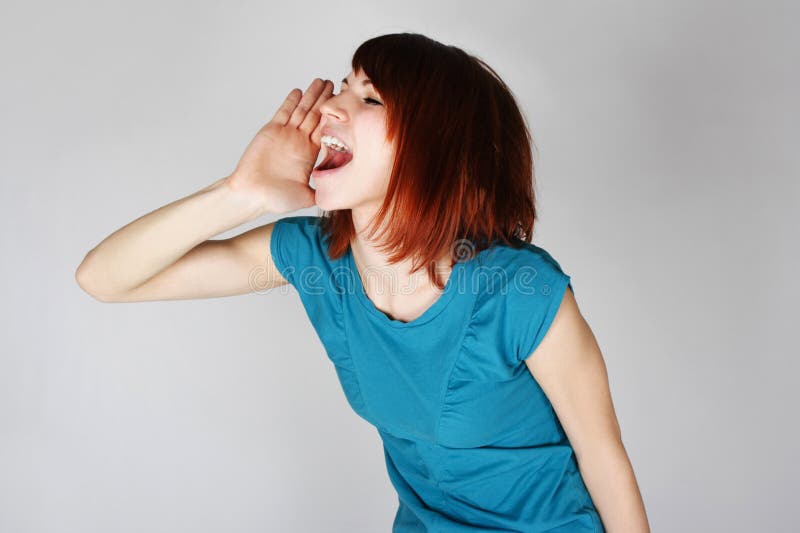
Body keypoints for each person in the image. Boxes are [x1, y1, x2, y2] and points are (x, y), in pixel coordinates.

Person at [76, 32, 650, 533]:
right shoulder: (314, 262)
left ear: (437, 151)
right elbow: (106, 279)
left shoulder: (520, 293)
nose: (329, 108)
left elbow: (604, 460)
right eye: (344, 87)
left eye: (370, 97)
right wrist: (239, 193)